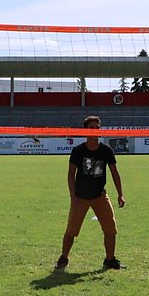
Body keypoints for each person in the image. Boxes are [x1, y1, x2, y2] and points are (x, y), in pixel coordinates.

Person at [55, 115, 126, 271]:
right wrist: (73, 197)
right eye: (91, 128)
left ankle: (110, 259)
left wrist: (120, 194)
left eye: (97, 128)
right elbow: (70, 175)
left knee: (110, 229)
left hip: (100, 196)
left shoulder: (106, 150)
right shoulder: (78, 151)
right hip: (80, 197)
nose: (95, 131)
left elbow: (115, 173)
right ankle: (63, 257)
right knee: (72, 231)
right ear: (84, 130)